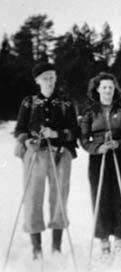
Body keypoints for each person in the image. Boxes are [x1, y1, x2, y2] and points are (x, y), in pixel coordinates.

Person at [14, 62, 79, 259]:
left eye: (52, 77)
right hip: (35, 153)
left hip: (60, 153)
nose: (49, 82)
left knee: (59, 198)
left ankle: (57, 247)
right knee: (33, 197)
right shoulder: (30, 102)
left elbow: (74, 130)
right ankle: (37, 248)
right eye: (45, 78)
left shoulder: (66, 102)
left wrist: (56, 133)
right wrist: (27, 139)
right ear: (37, 80)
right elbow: (19, 129)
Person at [79, 72, 121, 255]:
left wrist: (119, 143)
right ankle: (103, 239)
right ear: (97, 89)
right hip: (99, 158)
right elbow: (83, 138)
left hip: (119, 157)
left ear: (114, 89)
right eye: (104, 87)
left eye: (111, 87)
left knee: (120, 196)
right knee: (100, 196)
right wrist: (96, 148)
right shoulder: (89, 111)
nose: (108, 91)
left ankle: (119, 238)